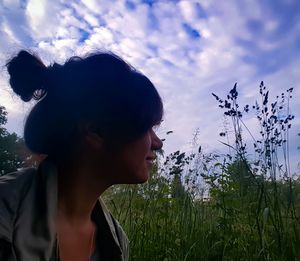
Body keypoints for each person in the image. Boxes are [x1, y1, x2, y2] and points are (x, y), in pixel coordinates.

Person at [0, 50, 163, 261]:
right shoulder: (5, 215)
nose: (157, 143)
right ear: (95, 131)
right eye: (147, 127)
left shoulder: (117, 241)